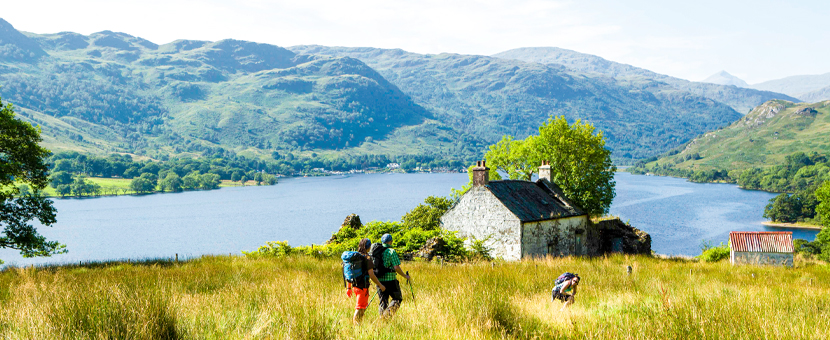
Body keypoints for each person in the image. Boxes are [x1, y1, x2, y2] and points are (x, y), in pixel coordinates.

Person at [346, 238, 386, 324]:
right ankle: (356, 327)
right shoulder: (367, 258)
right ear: (368, 247)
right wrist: (380, 285)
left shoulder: (355, 258)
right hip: (362, 287)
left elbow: (350, 273)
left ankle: (359, 325)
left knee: (362, 308)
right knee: (360, 308)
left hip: (355, 286)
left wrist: (348, 288)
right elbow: (371, 275)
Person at [371, 233, 410, 319]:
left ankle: (382, 319)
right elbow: (396, 267)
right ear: (390, 241)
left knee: (383, 302)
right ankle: (387, 316)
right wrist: (405, 276)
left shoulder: (376, 251)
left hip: (379, 280)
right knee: (397, 299)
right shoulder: (391, 252)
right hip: (391, 280)